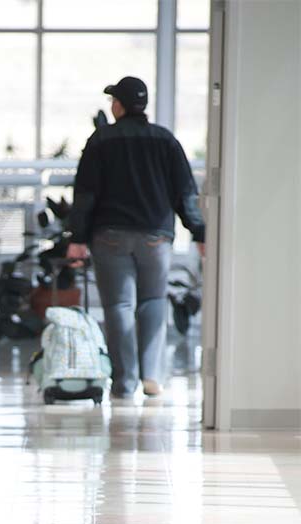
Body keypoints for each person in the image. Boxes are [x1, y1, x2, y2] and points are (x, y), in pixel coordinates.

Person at [66, 75, 205, 400]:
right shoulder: (165, 140)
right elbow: (185, 192)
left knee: (119, 305)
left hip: (109, 236)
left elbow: (85, 194)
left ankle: (125, 383)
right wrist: (198, 230)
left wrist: (77, 238)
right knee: (153, 302)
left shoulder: (101, 140)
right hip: (156, 237)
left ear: (120, 105)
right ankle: (152, 376)